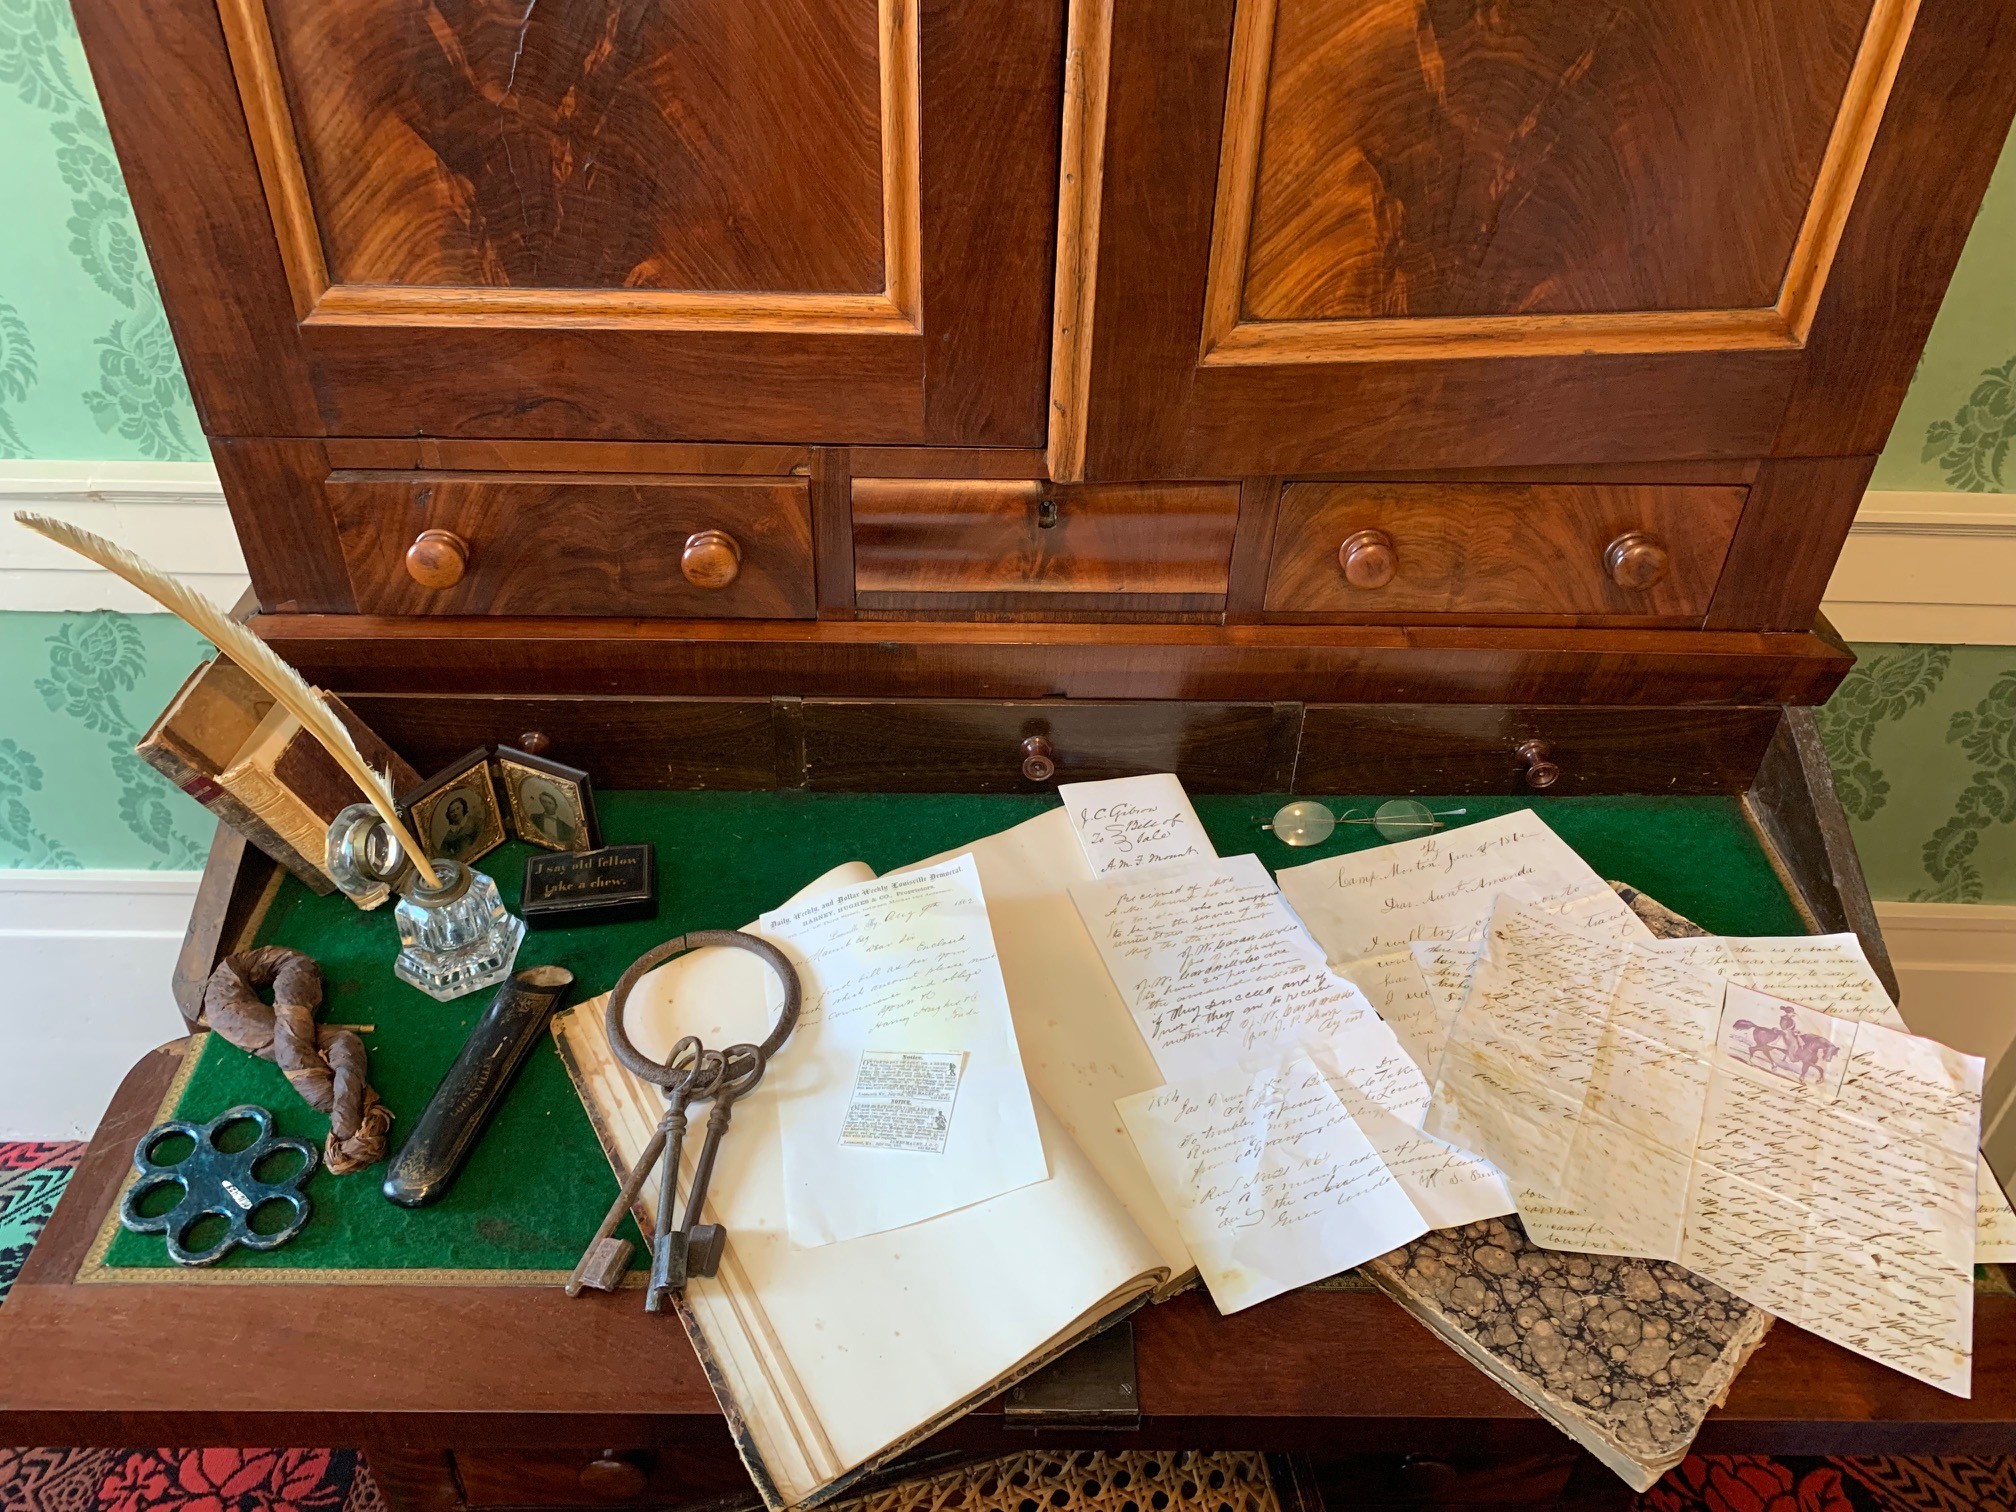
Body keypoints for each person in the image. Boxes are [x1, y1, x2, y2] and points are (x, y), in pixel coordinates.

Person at [525, 783, 577, 848]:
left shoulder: (566, 828)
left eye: (550, 803)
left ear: (556, 806)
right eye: (544, 802)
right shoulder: (534, 817)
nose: (547, 805)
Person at [434, 791, 482, 860]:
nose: (455, 813)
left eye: (458, 808)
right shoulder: (450, 834)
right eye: (452, 811)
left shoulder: (475, 821)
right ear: (449, 815)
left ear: (463, 808)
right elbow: (443, 853)